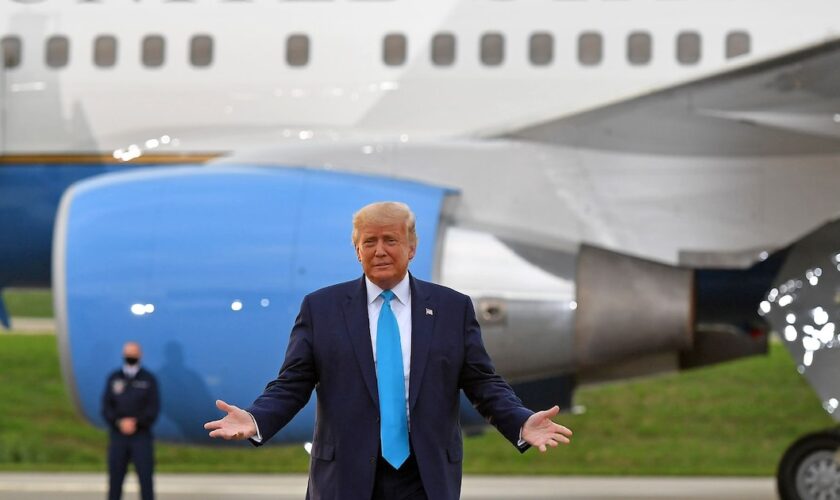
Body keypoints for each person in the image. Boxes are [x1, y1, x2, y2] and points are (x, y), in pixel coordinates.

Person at [204, 201, 572, 500]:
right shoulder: (322, 308)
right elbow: (293, 383)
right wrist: (255, 419)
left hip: (424, 476)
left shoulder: (451, 308)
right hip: (345, 474)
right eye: (369, 241)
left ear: (411, 247)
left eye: (390, 240)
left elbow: (482, 383)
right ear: (356, 249)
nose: (379, 250)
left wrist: (520, 420)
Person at [102, 341, 160, 500]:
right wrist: (118, 422)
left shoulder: (148, 379)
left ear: (140, 355)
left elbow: (153, 407)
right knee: (115, 479)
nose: (130, 356)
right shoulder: (114, 378)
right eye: (128, 353)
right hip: (118, 436)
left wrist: (137, 422)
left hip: (141, 435)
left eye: (134, 353)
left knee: (145, 478)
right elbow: (107, 406)